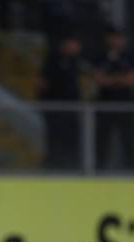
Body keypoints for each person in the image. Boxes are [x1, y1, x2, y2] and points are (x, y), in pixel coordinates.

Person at [94, 28, 134, 169]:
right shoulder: (101, 57)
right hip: (105, 103)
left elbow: (131, 80)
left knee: (128, 138)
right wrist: (120, 79)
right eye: (113, 37)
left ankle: (133, 170)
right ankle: (98, 169)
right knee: (102, 139)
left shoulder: (130, 57)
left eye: (119, 38)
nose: (116, 41)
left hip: (125, 104)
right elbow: (98, 79)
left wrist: (111, 80)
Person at [38, 33, 83, 169]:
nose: (77, 47)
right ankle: (53, 164)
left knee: (72, 137)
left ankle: (72, 164)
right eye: (73, 43)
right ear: (65, 44)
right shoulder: (53, 59)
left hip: (72, 107)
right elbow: (42, 83)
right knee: (55, 138)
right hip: (55, 107)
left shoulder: (75, 61)